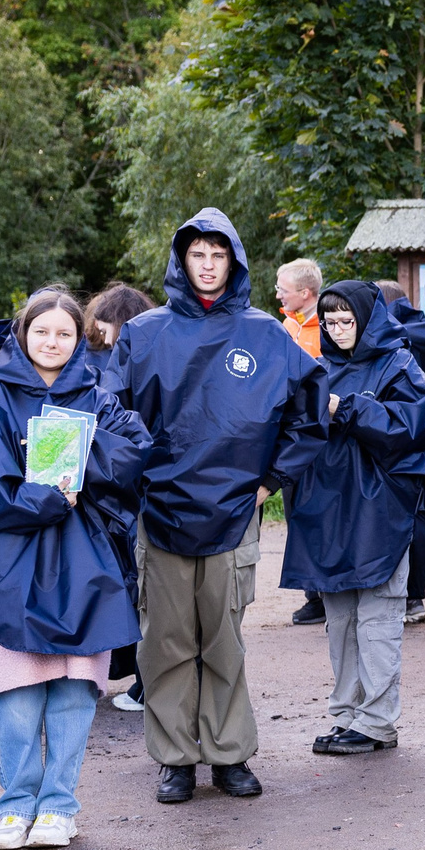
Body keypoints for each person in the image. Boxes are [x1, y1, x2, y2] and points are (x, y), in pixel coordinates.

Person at [102, 209, 322, 805]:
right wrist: (136, 483)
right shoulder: (144, 334)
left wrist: (269, 481)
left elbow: (309, 413)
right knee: (166, 641)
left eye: (217, 255)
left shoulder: (266, 335)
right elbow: (111, 416)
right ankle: (176, 758)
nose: (207, 264)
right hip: (161, 512)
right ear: (182, 260)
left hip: (233, 513)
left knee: (223, 638)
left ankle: (228, 754)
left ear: (234, 262)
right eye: (197, 254)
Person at [0, 290, 148, 850]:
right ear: (22, 334)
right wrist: (51, 496)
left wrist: (80, 451)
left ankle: (59, 805)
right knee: (15, 691)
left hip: (85, 561)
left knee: (74, 689)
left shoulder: (99, 395)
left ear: (79, 338)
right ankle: (15, 807)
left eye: (64, 333)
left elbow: (135, 454)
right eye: (42, 332)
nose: (52, 342)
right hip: (8, 560)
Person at [275, 282, 425, 756]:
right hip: (328, 512)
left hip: (380, 514)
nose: (338, 330)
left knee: (377, 620)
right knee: (341, 622)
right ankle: (348, 715)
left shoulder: (399, 365)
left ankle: (377, 721)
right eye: (330, 322)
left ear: (367, 319)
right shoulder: (320, 369)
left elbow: (409, 431)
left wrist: (344, 407)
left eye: (347, 320)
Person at [84, 284, 154, 714]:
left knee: (137, 588)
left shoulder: (111, 363)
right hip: (138, 486)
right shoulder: (148, 352)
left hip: (123, 490)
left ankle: (142, 682)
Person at [371, 280, 425, 627]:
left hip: (393, 437)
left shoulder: (390, 340)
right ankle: (413, 595)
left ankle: (399, 594)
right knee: (424, 517)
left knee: (397, 517)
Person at [271, 259, 328, 626]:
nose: (278, 294)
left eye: (283, 289)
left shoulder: (329, 327)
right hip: (291, 437)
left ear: (305, 293)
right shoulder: (286, 326)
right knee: (295, 514)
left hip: (322, 439)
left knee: (323, 514)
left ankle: (330, 590)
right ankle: (313, 595)